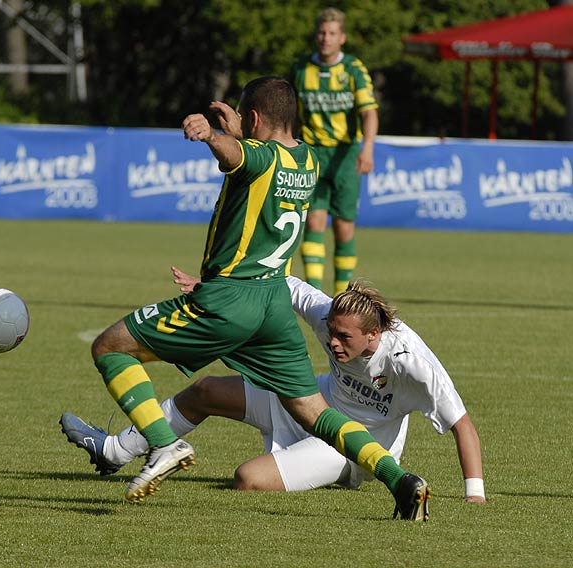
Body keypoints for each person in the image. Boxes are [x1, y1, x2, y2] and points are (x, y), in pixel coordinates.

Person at [61, 76, 430, 521]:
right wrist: (237, 135)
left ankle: (163, 445)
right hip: (274, 303)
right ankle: (400, 479)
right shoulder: (308, 159)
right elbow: (261, 163)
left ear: (253, 118)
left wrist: (212, 135)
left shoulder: (257, 155)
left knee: (111, 347)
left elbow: (241, 156)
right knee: (316, 413)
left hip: (231, 299)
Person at [64, 271, 485, 507]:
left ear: (374, 334)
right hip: (312, 403)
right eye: (331, 333)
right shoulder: (329, 315)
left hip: (353, 446)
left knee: (248, 478)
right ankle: (116, 451)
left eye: (344, 338)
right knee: (206, 390)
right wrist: (216, 289)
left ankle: (375, 476)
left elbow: (463, 425)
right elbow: (277, 281)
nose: (333, 342)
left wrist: (474, 497)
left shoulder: (412, 362)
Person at [292, 7, 379, 295]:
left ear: (342, 38)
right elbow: (289, 113)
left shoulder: (353, 69)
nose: (325, 38)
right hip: (313, 154)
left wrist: (367, 149)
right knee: (313, 220)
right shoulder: (302, 69)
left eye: (331, 33)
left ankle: (342, 295)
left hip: (345, 155)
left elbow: (369, 112)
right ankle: (315, 294)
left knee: (343, 227)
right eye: (321, 32)